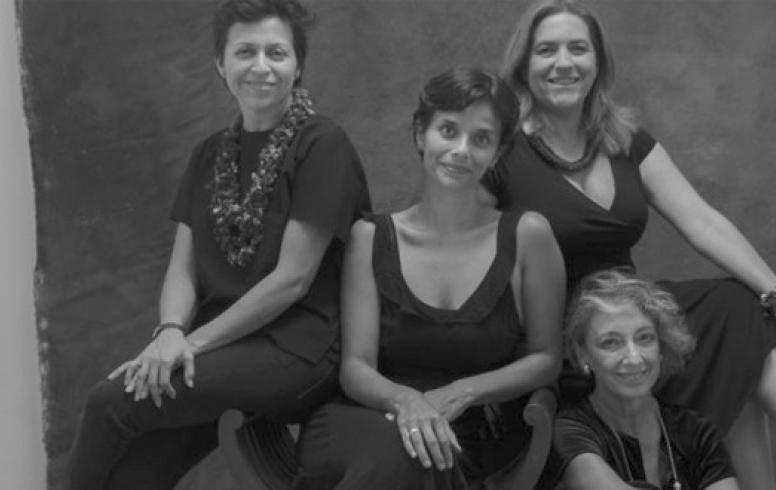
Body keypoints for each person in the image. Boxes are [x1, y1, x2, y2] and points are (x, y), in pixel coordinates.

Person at [484, 1, 776, 489]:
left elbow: (701, 221)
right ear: (523, 64)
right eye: (546, 50)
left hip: (632, 316)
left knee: (743, 310)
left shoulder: (624, 139)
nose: (563, 62)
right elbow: (470, 255)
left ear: (598, 61)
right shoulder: (500, 149)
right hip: (567, 338)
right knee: (733, 334)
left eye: (577, 49)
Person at [64, 1, 371, 488]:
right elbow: (182, 269)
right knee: (136, 476)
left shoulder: (322, 143)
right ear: (220, 65)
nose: (261, 66)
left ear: (298, 66)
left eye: (276, 53)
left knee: (109, 403)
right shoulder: (208, 154)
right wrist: (169, 330)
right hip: (219, 348)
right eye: (245, 52)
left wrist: (190, 344)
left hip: (299, 350)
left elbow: (292, 280)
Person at [294, 66, 565, 489]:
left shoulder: (528, 236)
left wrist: (463, 391)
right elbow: (355, 367)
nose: (461, 150)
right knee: (410, 450)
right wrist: (407, 402)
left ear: (497, 154)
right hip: (363, 422)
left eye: (481, 139)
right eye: (448, 131)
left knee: (425, 454)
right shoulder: (371, 237)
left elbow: (546, 359)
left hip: (468, 438)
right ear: (421, 134)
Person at [538, 271, 737, 490]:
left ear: (661, 346)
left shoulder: (695, 431)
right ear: (582, 354)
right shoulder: (570, 431)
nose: (634, 358)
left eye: (645, 338)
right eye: (611, 343)